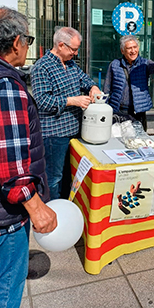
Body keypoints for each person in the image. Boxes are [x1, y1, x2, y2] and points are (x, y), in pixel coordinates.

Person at [0, 7, 57, 308]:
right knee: (1, 294)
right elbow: (11, 164)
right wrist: (36, 207)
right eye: (28, 41)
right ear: (17, 42)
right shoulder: (3, 84)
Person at [31, 27, 101, 200]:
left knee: (72, 176)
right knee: (54, 178)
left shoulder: (70, 64)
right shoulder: (42, 67)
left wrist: (93, 87)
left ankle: (67, 207)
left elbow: (84, 79)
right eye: (74, 49)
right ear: (61, 45)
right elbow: (42, 101)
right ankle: (55, 212)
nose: (76, 54)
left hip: (74, 133)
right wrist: (72, 101)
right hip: (54, 135)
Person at [103, 35, 154, 131]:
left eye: (135, 47)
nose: (133, 51)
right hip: (119, 111)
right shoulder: (115, 65)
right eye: (129, 48)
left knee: (139, 141)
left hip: (138, 113)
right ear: (122, 51)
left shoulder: (144, 64)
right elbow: (107, 88)